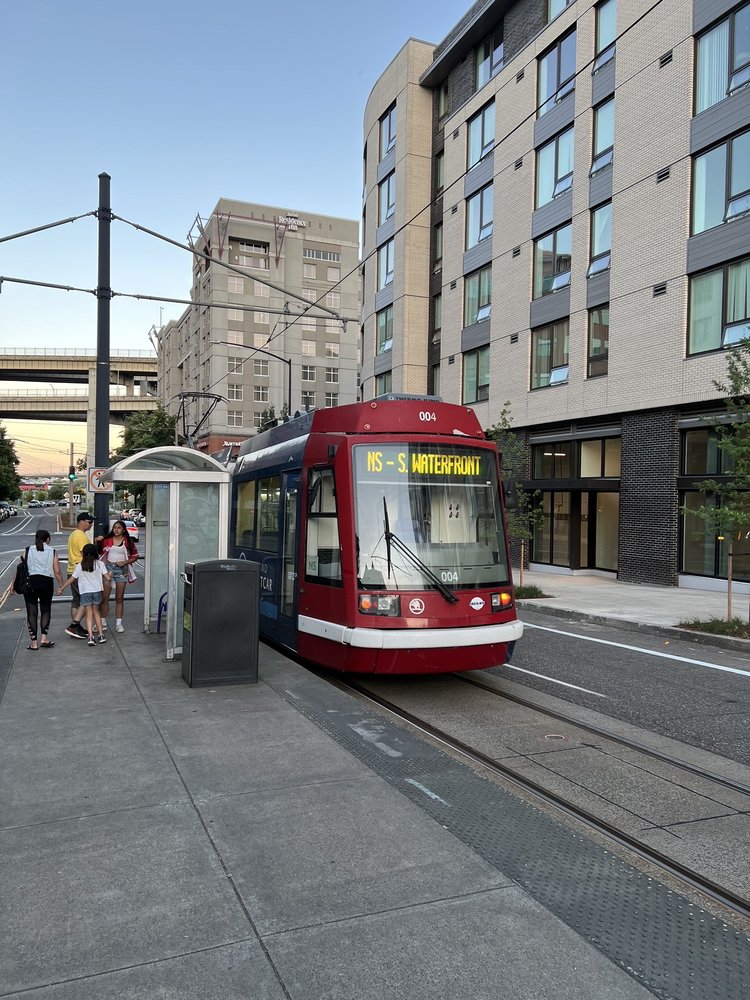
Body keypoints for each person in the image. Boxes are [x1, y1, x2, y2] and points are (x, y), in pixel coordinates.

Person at [58, 544, 110, 647]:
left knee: (89, 615)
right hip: (97, 592)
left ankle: (91, 637)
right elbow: (107, 578)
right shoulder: (99, 564)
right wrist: (111, 574)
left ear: (84, 554)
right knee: (97, 613)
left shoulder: (80, 565)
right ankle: (101, 635)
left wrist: (62, 588)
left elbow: (72, 579)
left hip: (85, 592)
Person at [24, 529, 65, 650]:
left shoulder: (27, 550)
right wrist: (61, 586)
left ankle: (34, 643)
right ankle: (44, 638)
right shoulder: (52, 551)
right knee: (45, 610)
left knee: (31, 612)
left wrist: (13, 585)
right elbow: (57, 570)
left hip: (30, 583)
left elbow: (21, 567)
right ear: (48, 539)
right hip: (46, 583)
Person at [96, 519, 139, 633]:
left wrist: (125, 562)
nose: (116, 530)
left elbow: (135, 556)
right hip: (108, 569)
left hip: (121, 570)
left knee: (119, 598)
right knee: (104, 597)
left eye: (119, 528)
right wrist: (98, 541)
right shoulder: (107, 540)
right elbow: (100, 553)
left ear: (124, 530)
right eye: (115, 527)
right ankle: (102, 622)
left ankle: (118, 624)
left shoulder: (128, 541)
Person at [65, 511, 95, 639]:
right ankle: (74, 625)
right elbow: (86, 554)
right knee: (87, 599)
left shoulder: (73, 534)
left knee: (76, 601)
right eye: (89, 522)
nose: (91, 525)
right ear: (81, 522)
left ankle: (75, 629)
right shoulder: (81, 536)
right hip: (81, 571)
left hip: (71, 570)